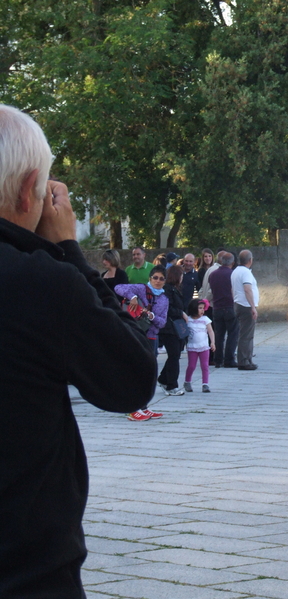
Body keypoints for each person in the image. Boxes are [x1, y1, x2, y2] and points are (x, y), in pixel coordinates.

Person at [0, 104, 158, 598]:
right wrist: (68, 250)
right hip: (26, 569)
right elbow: (131, 379)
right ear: (31, 190)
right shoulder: (39, 283)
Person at [115, 266, 170, 420]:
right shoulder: (140, 289)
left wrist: (152, 316)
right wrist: (132, 296)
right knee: (134, 371)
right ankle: (131, 408)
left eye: (161, 278)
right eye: (155, 278)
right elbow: (118, 287)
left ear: (165, 281)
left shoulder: (164, 299)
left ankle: (143, 407)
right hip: (134, 334)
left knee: (147, 373)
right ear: (150, 278)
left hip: (151, 337)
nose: (158, 281)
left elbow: (162, 323)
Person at [158, 263, 188, 395]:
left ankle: (164, 379)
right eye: (181, 275)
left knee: (174, 355)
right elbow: (167, 308)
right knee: (174, 356)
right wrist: (180, 313)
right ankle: (171, 385)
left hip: (175, 327)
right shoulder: (167, 290)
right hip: (168, 327)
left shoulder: (176, 289)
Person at [208, 251, 239, 368]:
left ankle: (218, 359)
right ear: (233, 262)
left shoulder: (213, 274)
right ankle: (229, 359)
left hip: (216, 307)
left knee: (219, 335)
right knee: (233, 333)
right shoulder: (233, 274)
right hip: (230, 306)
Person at [232, 249, 260, 370]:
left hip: (239, 303)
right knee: (246, 335)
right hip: (246, 305)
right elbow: (247, 289)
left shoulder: (236, 271)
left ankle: (248, 358)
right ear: (250, 260)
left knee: (246, 334)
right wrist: (253, 307)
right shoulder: (246, 273)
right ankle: (244, 361)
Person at [184, 299, 215, 393]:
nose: (202, 310)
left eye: (203, 308)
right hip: (192, 347)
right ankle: (187, 381)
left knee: (205, 366)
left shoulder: (205, 319)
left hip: (204, 347)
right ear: (194, 309)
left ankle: (205, 384)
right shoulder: (188, 320)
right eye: (200, 308)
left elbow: (210, 331)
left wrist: (212, 342)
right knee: (191, 366)